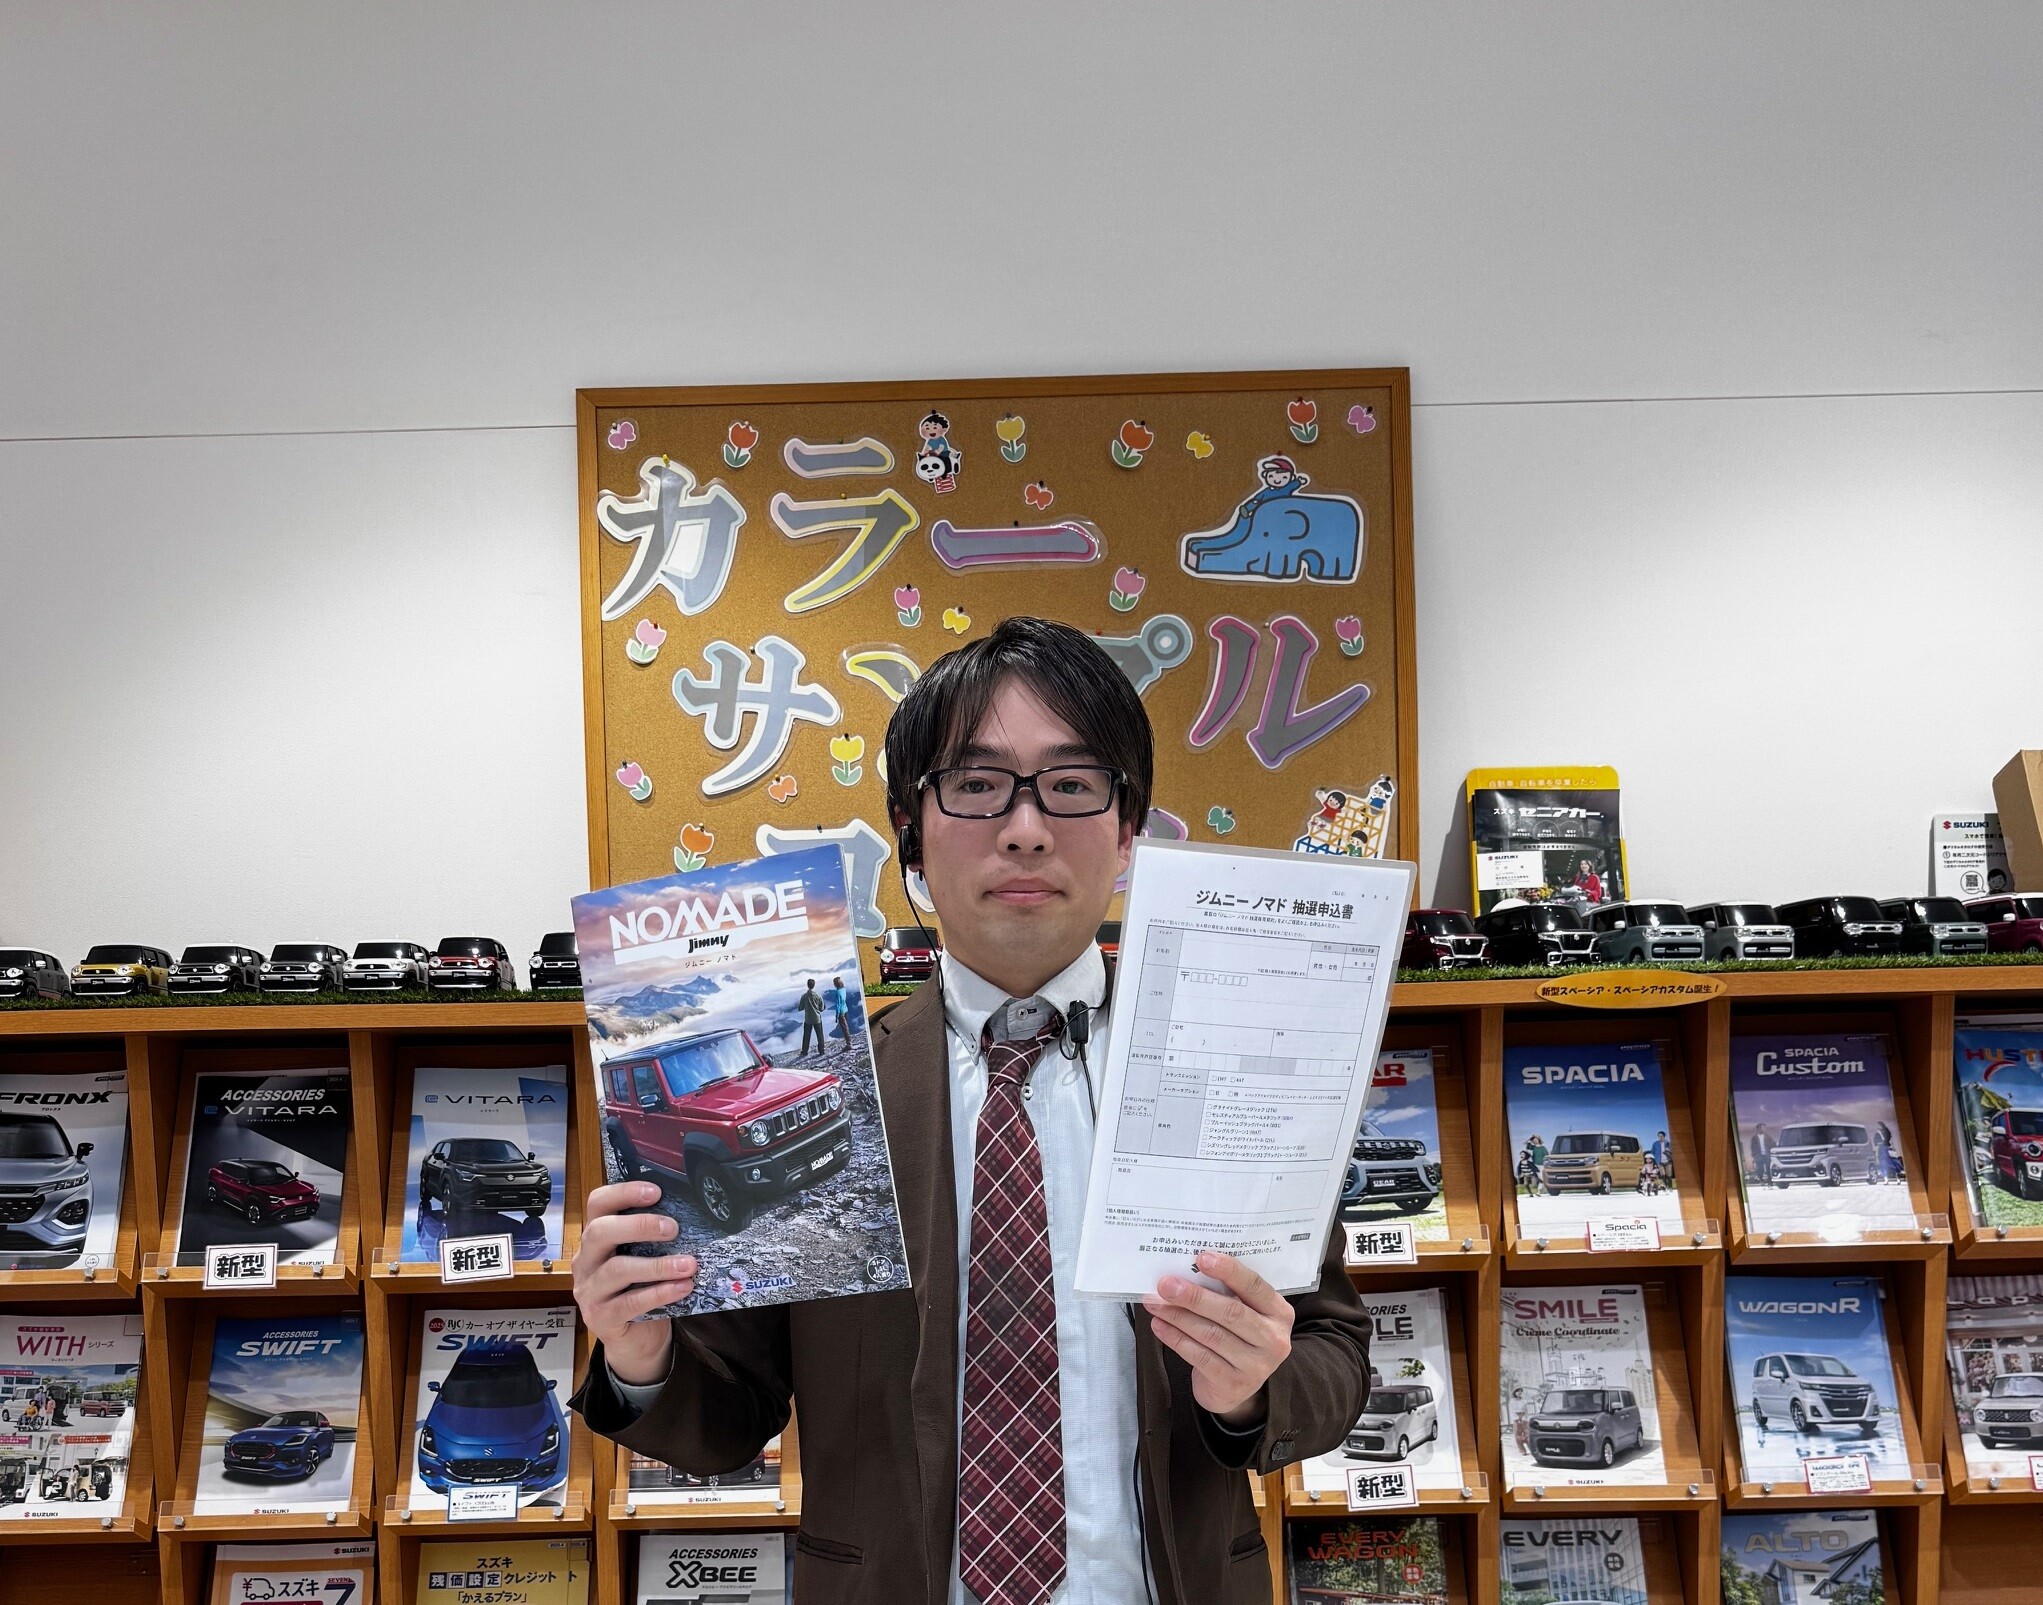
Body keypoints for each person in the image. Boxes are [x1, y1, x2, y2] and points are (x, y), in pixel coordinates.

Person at [571, 615, 1373, 1603]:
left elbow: (1334, 1348)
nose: (1025, 828)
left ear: (1128, 830)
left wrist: (1251, 1390)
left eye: (1071, 785)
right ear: (910, 831)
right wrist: (641, 1352)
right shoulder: (844, 1089)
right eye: (977, 783)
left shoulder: (1224, 1062)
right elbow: (729, 1415)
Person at [797, 978, 825, 1058]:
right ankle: (821, 1051)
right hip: (817, 1018)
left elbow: (800, 1008)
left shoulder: (804, 996)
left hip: (808, 1019)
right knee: (820, 1035)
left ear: (807, 985)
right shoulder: (818, 995)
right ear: (814, 985)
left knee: (806, 1036)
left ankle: (804, 1051)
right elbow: (822, 1008)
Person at [828, 976, 853, 1046]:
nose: (833, 984)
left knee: (844, 1028)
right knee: (846, 1026)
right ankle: (849, 1042)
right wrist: (830, 991)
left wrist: (836, 1016)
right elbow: (838, 992)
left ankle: (849, 1044)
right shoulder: (843, 989)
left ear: (836, 984)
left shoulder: (838, 993)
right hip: (845, 1010)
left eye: (834, 983)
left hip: (841, 1012)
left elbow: (838, 1005)